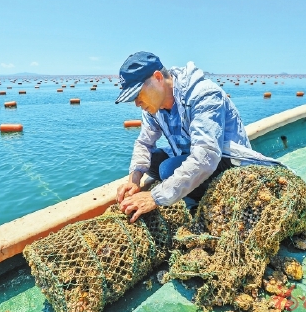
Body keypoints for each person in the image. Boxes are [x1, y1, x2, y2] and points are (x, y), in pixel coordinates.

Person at [115, 51, 280, 223]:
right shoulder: (153, 107)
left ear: (157, 78)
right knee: (151, 162)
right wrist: (134, 180)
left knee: (167, 170)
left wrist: (154, 197)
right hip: (192, 155)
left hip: (227, 163)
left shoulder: (203, 95)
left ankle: (202, 203)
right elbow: (144, 142)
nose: (136, 103)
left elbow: (206, 156)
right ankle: (187, 189)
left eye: (137, 94)